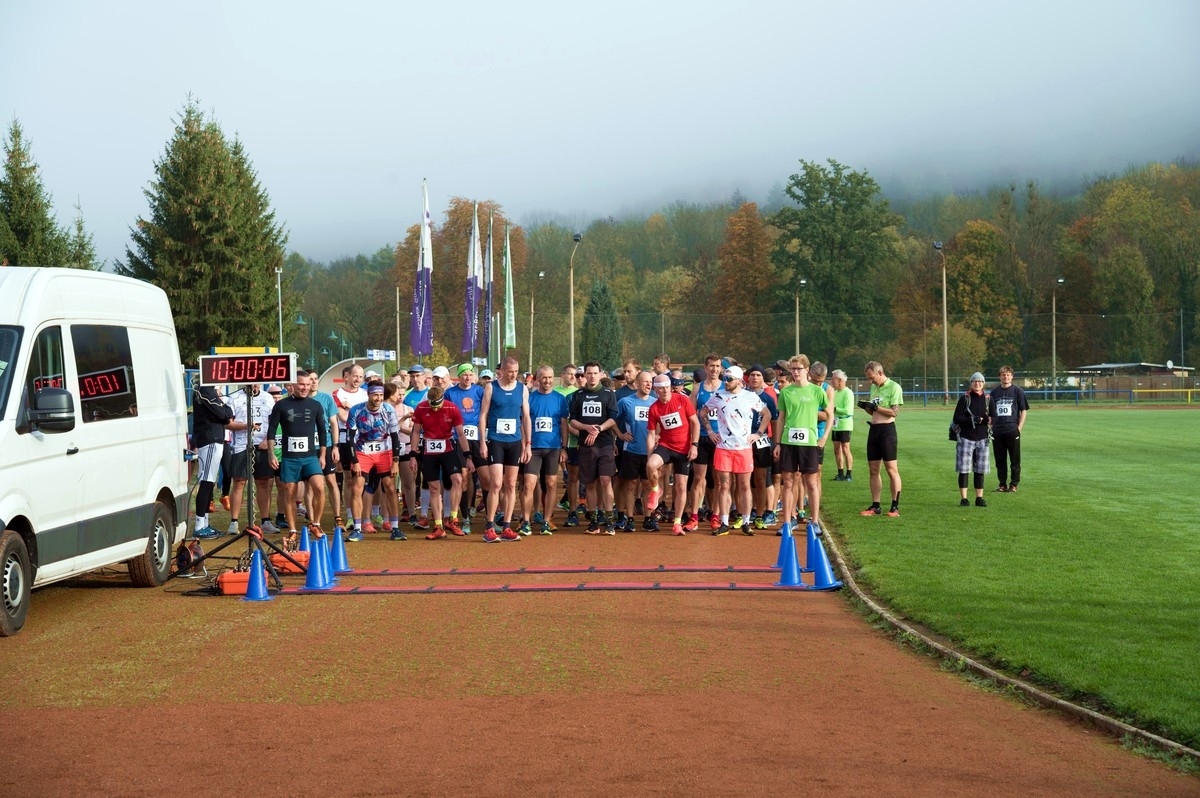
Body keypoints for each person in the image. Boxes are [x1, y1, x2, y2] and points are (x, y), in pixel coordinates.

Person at [703, 365, 769, 536]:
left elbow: (767, 414)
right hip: (724, 447)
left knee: (744, 485)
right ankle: (724, 522)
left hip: (743, 448)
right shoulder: (718, 396)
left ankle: (746, 522)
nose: (725, 381)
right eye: (725, 378)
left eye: (729, 379)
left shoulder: (750, 396)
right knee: (724, 485)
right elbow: (702, 412)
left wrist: (758, 434)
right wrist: (710, 431)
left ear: (739, 381)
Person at [773, 355, 830, 537]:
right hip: (789, 443)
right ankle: (788, 522)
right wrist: (778, 443)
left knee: (811, 483)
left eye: (799, 369)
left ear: (807, 370)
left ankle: (814, 522)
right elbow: (781, 418)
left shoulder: (817, 391)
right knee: (788, 482)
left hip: (809, 443)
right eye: (793, 369)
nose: (795, 372)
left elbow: (830, 415)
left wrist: (823, 439)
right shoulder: (786, 392)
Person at [266, 375, 329, 537]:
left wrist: (322, 455)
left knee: (319, 487)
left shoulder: (315, 405)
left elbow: (322, 430)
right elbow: (272, 430)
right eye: (301, 384)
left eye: (308, 384)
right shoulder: (281, 405)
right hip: (290, 458)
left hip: (310, 457)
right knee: (290, 493)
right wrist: (271, 454)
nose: (305, 387)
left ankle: (316, 523)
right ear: (292, 385)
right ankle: (293, 530)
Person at [478, 356, 532, 541]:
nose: (513, 375)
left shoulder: (522, 388)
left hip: (515, 442)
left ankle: (507, 527)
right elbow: (483, 415)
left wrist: (528, 444)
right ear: (502, 371)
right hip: (496, 440)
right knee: (496, 484)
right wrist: (482, 442)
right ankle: (490, 527)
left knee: (510, 484)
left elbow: (526, 417)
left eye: (516, 372)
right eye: (510, 372)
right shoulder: (491, 387)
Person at [409, 384, 468, 541]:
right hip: (429, 450)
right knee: (434, 488)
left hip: (448, 448)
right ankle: (438, 526)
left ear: (443, 400)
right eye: (432, 405)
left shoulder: (452, 408)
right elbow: (415, 431)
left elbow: (461, 434)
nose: (434, 409)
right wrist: (413, 454)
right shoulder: (421, 408)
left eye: (438, 405)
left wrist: (468, 454)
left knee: (458, 479)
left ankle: (453, 519)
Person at [345, 380, 402, 540]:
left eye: (381, 395)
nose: (378, 398)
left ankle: (395, 528)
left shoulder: (388, 410)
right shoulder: (357, 410)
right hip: (362, 450)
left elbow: (395, 437)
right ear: (368, 394)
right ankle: (357, 528)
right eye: (375, 394)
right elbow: (350, 438)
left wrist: (395, 461)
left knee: (390, 488)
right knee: (357, 487)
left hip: (384, 451)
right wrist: (354, 460)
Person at [645, 373, 700, 535]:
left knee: (681, 485)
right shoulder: (654, 408)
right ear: (656, 390)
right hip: (666, 445)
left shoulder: (682, 400)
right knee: (650, 465)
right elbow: (650, 435)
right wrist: (650, 456)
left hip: (684, 448)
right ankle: (656, 490)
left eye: (667, 388)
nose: (665, 391)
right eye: (661, 389)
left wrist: (694, 445)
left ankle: (677, 523)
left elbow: (695, 423)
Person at [568, 361, 619, 535]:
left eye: (595, 373)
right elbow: (572, 420)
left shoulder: (608, 394)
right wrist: (585, 427)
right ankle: (594, 521)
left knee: (605, 480)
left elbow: (613, 419)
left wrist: (598, 429)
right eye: (588, 373)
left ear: (600, 374)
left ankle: (610, 521)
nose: (591, 376)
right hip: (586, 446)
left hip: (604, 444)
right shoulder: (578, 395)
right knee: (589, 483)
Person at [224, 383, 276, 536]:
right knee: (239, 482)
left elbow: (273, 423)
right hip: (241, 445)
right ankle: (234, 522)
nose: (255, 384)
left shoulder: (267, 398)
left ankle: (265, 520)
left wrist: (267, 439)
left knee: (263, 482)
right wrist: (246, 426)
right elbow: (228, 423)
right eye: (251, 381)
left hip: (262, 445)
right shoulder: (234, 398)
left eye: (257, 381)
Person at [524, 365, 570, 535]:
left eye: (550, 377)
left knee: (551, 484)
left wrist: (564, 448)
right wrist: (525, 445)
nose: (547, 381)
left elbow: (564, 424)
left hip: (553, 448)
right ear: (537, 379)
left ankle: (546, 520)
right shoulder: (529, 398)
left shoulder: (559, 399)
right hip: (533, 447)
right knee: (529, 484)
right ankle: (526, 521)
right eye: (544, 378)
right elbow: (524, 422)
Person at [859, 360, 903, 518]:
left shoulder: (894, 387)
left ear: (879, 372)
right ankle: (876, 505)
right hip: (874, 430)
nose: (870, 380)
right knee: (873, 470)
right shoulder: (874, 387)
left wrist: (876, 407)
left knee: (891, 470)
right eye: (868, 378)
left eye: (871, 377)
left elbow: (894, 412)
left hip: (887, 431)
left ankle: (894, 506)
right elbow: (874, 413)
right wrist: (867, 408)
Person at [191, 380, 234, 539]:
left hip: (214, 439)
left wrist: (224, 409)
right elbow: (224, 414)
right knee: (206, 481)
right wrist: (224, 409)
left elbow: (227, 413)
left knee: (209, 482)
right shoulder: (206, 391)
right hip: (210, 440)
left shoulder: (208, 392)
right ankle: (199, 525)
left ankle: (205, 523)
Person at [445, 362, 485, 531]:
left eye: (470, 374)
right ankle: (465, 517)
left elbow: (485, 412)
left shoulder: (480, 391)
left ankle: (491, 518)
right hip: (457, 439)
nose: (468, 377)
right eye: (464, 374)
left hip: (476, 438)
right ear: (459, 376)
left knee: (485, 477)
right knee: (464, 477)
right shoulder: (450, 393)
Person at [614, 370, 655, 532]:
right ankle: (629, 519)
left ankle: (648, 518)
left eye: (650, 382)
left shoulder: (655, 402)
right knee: (630, 485)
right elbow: (612, 419)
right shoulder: (625, 402)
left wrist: (658, 436)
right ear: (637, 383)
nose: (648, 384)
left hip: (650, 451)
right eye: (645, 382)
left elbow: (661, 423)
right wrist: (620, 434)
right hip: (631, 449)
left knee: (647, 485)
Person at [953, 372, 993, 508]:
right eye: (975, 381)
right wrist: (972, 419)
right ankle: (964, 498)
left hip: (983, 439)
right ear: (971, 383)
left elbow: (994, 417)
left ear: (983, 383)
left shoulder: (988, 398)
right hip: (966, 438)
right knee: (964, 470)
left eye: (980, 381)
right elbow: (957, 418)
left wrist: (987, 420)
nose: (977, 384)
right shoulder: (965, 399)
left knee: (980, 470)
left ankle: (979, 498)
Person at [990, 365, 1028, 492]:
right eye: (1003, 374)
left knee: (1014, 460)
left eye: (1008, 374)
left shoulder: (1018, 391)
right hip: (997, 431)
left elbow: (1023, 410)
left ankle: (1013, 485)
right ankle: (1002, 484)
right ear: (999, 377)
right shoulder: (994, 393)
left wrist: (1019, 428)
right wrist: (991, 427)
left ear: (1012, 376)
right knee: (1000, 460)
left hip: (1012, 430)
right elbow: (990, 412)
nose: (1005, 377)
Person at [829, 369, 855, 481]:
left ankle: (849, 473)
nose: (831, 381)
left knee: (845, 448)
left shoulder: (848, 393)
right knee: (836, 449)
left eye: (833, 378)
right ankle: (840, 472)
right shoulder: (834, 393)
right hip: (836, 424)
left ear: (840, 380)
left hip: (845, 424)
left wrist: (834, 409)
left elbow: (848, 411)